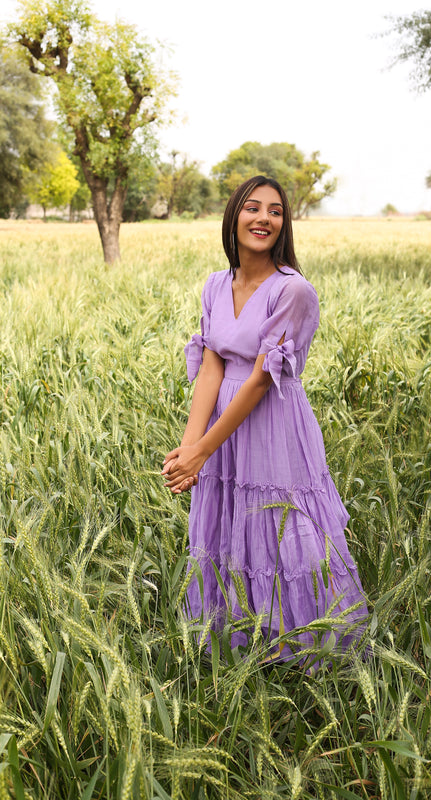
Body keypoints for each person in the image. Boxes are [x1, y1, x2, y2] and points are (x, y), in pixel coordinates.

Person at [162, 175, 368, 663]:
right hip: (220, 425)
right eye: (252, 208)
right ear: (233, 217)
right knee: (226, 520)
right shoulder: (216, 284)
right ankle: (240, 642)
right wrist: (190, 449)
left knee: (283, 527)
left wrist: (202, 450)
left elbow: (258, 380)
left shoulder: (293, 291)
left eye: (275, 211)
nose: (264, 218)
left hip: (270, 421)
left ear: (284, 224)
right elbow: (212, 365)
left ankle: (305, 648)